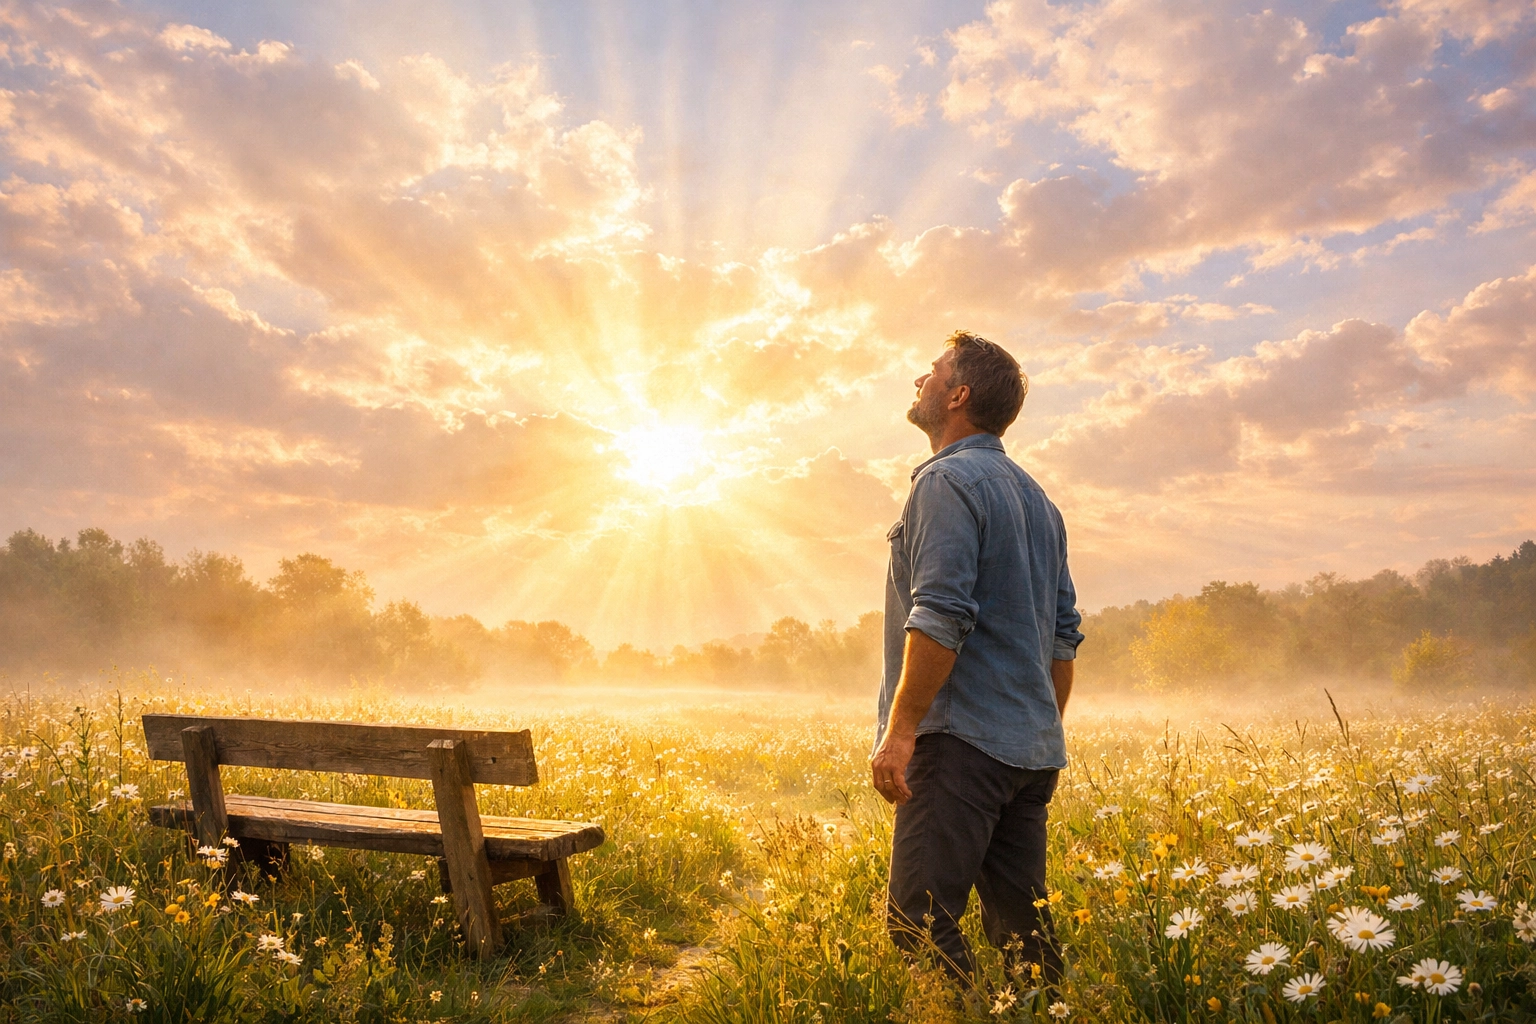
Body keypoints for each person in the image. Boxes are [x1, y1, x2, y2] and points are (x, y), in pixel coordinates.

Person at [870, 330, 1083, 985]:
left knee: (918, 921)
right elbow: (1063, 637)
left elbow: (939, 613)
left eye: (932, 371)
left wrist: (902, 730)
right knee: (1024, 935)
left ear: (958, 394)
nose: (919, 380)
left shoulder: (945, 481)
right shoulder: (1039, 502)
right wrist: (1039, 724)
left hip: (958, 743)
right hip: (1029, 752)